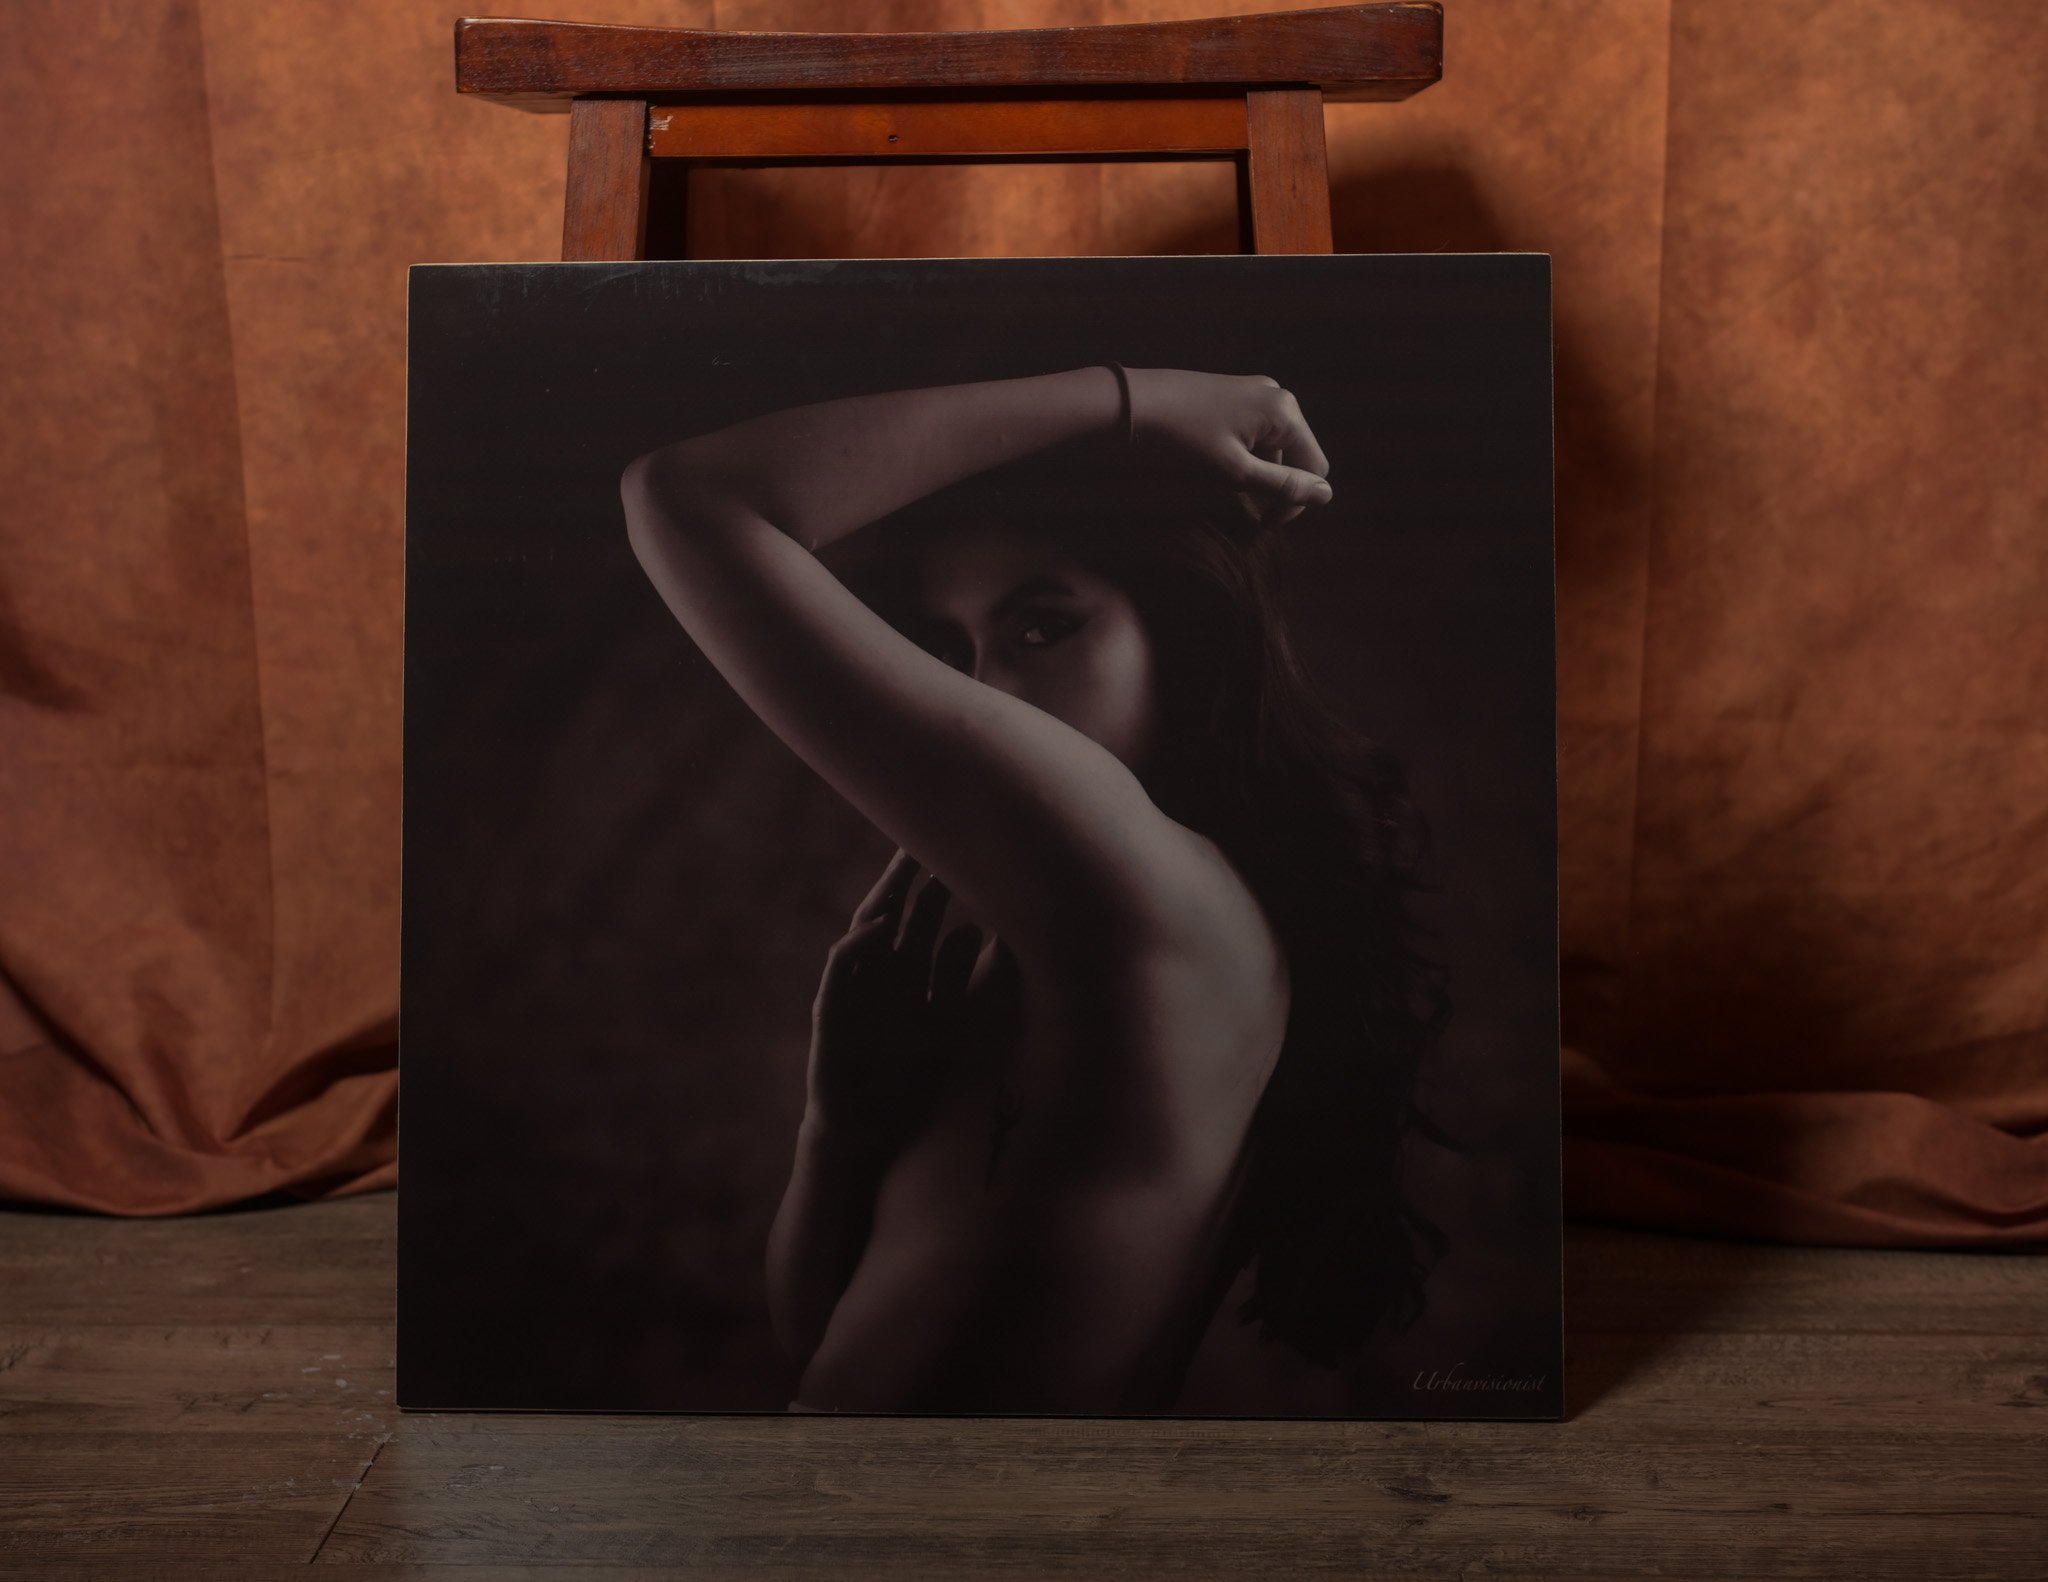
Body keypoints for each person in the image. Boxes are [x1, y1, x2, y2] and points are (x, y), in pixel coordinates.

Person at [620, 363, 1452, 1413]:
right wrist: (837, 1131)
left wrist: (1135, 399)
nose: (988, 693)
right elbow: (822, 1340)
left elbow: (682, 494)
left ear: (1180, 637)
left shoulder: (1154, 895)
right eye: (955, 650)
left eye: (1039, 629)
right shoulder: (1080, 941)